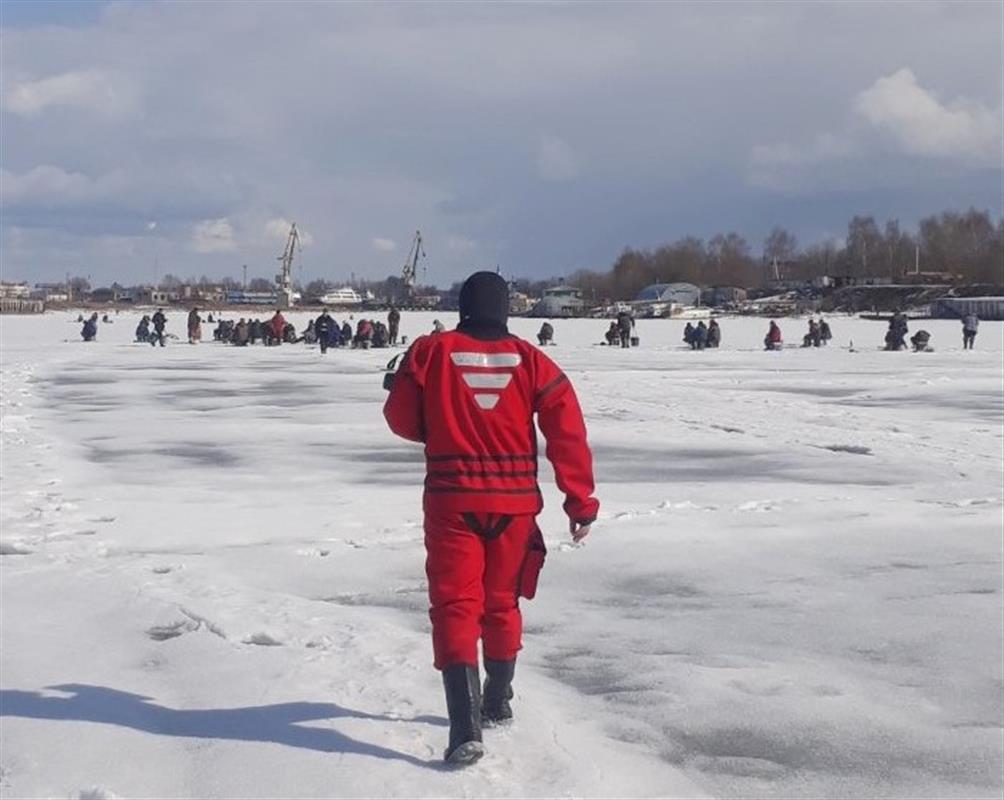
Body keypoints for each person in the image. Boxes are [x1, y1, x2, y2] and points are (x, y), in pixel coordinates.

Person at [383, 272, 598, 766]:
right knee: (502, 602)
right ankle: (498, 699)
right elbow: (567, 431)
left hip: (452, 501)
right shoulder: (532, 359)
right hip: (514, 505)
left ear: (462, 307)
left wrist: (439, 428)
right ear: (505, 309)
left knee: (456, 605)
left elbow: (399, 418)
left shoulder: (431, 352)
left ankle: (465, 729)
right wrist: (579, 501)